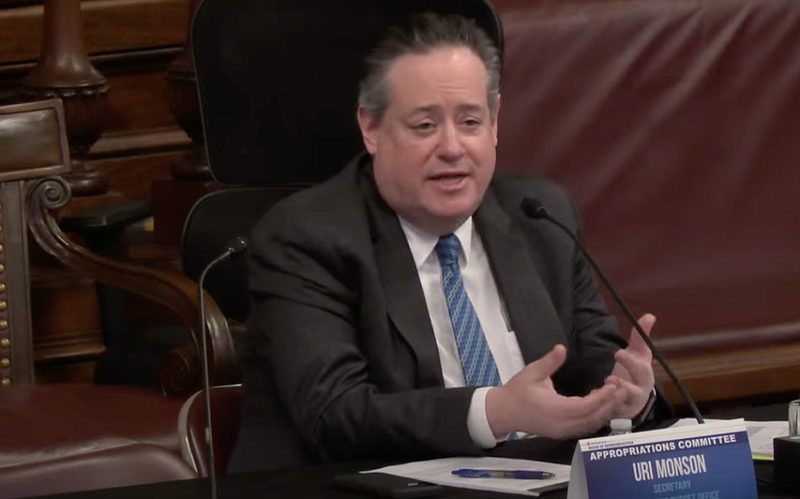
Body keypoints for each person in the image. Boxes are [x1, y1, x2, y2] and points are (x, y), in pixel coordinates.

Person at [232, 11, 658, 467]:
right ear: (371, 128)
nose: (453, 147)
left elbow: (598, 366)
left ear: (495, 123)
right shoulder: (307, 238)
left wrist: (626, 398)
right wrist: (493, 413)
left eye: (471, 122)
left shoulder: (541, 217)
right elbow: (335, 416)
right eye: (425, 126)